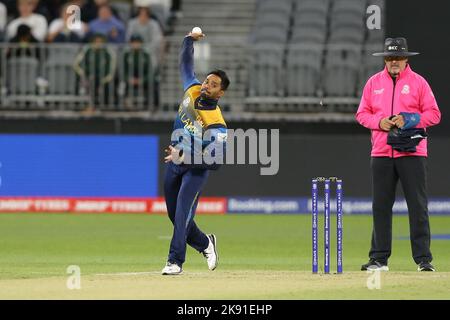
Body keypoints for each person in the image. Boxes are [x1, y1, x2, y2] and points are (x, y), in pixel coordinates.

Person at [356, 37, 441, 272]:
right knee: (381, 206)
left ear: (406, 59)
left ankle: (424, 260)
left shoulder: (419, 83)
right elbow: (361, 114)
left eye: (398, 58)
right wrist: (379, 122)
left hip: (412, 153)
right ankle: (379, 259)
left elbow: (434, 114)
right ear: (385, 59)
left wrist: (409, 119)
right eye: (390, 58)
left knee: (417, 206)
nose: (394, 62)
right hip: (382, 152)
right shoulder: (373, 83)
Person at [161, 30, 230, 275]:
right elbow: (185, 64)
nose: (206, 85)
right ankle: (205, 243)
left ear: (220, 93)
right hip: (175, 164)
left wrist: (185, 158)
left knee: (181, 216)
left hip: (196, 170)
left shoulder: (217, 122)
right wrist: (188, 40)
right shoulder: (192, 90)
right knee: (175, 216)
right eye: (207, 81)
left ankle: (174, 261)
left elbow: (215, 160)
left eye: (213, 85)